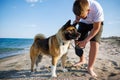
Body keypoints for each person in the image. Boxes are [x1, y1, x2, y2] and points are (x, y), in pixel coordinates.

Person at [72, 0, 104, 77]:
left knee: (94, 43)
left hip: (96, 24)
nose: (79, 17)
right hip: (84, 23)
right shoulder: (78, 6)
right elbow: (78, 15)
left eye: (82, 16)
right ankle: (82, 60)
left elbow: (96, 28)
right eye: (78, 15)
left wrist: (86, 41)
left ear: (88, 11)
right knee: (77, 41)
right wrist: (77, 20)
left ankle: (90, 67)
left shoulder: (97, 9)